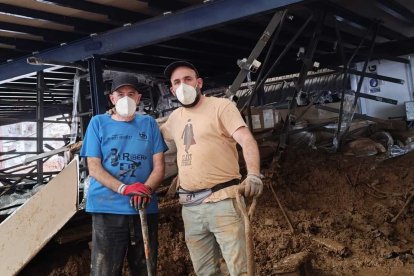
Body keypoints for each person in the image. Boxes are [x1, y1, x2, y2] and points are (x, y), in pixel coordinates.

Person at [161, 61, 263, 275]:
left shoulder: (221, 107)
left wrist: (253, 175)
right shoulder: (174, 118)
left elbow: (246, 140)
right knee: (205, 271)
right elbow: (150, 138)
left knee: (240, 269)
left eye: (188, 79)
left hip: (223, 201)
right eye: (177, 82)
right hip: (190, 208)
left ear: (199, 83)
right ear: (171, 90)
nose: (183, 85)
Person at [80, 73, 168, 275]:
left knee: (145, 269)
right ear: (112, 98)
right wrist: (124, 188)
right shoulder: (98, 123)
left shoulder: (149, 124)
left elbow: (159, 167)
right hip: (108, 208)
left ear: (138, 98)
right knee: (106, 271)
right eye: (120, 94)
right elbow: (94, 167)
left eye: (131, 94)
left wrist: (145, 189)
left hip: (143, 207)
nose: (126, 99)